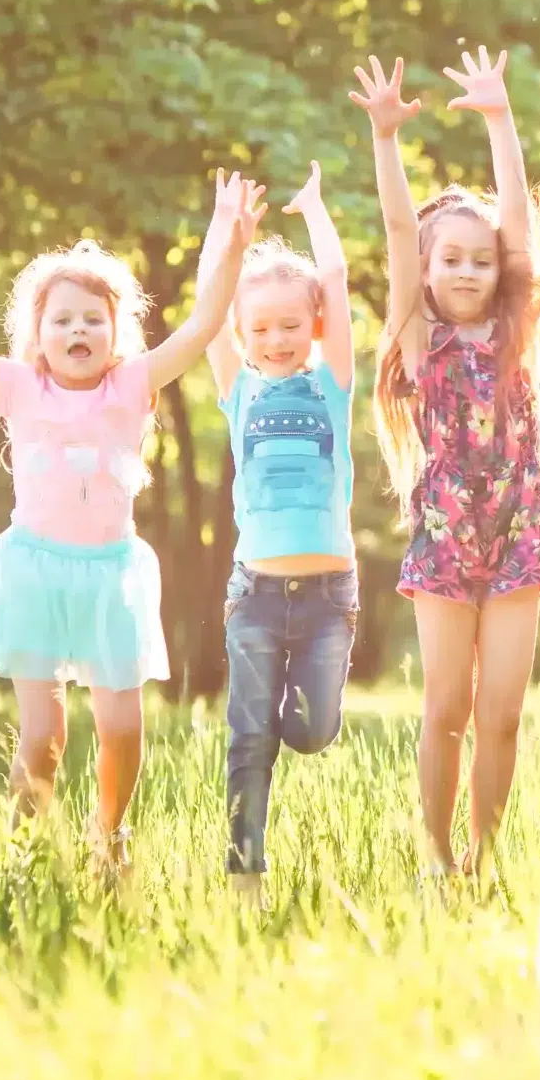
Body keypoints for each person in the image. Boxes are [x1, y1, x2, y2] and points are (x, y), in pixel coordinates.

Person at [0, 175, 256, 878]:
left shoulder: (133, 385)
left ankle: (110, 836)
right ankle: (18, 857)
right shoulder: (19, 386)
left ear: (116, 333)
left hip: (110, 576)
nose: (78, 329)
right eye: (62, 319)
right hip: (34, 572)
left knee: (124, 728)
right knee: (44, 737)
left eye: (92, 319)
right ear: (36, 337)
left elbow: (200, 325)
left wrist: (227, 241)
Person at [356, 49, 540, 878]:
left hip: (518, 539)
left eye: (481, 258)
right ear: (425, 272)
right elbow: (397, 227)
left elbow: (520, 226)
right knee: (446, 709)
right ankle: (435, 858)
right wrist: (386, 139)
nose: (467, 269)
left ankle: (484, 856)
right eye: (449, 258)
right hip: (444, 542)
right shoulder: (418, 336)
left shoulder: (514, 335)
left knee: (501, 713)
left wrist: (500, 118)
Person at [198, 161, 359, 901]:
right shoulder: (237, 388)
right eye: (260, 327)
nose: (276, 338)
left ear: (315, 324)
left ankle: (302, 717)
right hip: (255, 593)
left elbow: (337, 279)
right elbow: (208, 303)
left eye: (291, 324)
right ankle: (244, 873)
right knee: (250, 736)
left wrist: (315, 210)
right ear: (242, 333)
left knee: (314, 730)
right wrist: (226, 232)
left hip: (328, 597)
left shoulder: (332, 383)